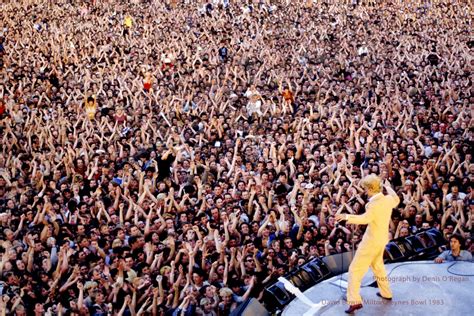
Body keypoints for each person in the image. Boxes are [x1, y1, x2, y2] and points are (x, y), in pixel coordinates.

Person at [336, 175, 400, 313]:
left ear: (370, 188)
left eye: (365, 188)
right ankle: (386, 293)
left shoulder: (373, 204)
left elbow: (365, 219)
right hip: (382, 238)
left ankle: (354, 301)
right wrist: (388, 187)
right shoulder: (388, 199)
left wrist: (346, 217)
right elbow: (396, 199)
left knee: (355, 269)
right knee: (378, 266)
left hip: (371, 242)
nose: (364, 191)